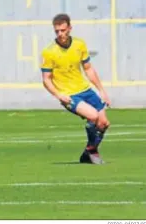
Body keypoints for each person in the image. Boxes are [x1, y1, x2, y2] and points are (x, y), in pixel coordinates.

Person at [41, 13, 110, 164]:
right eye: (57, 31)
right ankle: (92, 153)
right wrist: (59, 95)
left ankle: (89, 152)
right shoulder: (49, 52)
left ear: (70, 28)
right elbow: (46, 80)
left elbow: (89, 69)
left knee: (104, 123)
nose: (60, 34)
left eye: (63, 30)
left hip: (85, 90)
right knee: (93, 116)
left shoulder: (79, 44)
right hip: (69, 95)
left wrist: (102, 91)